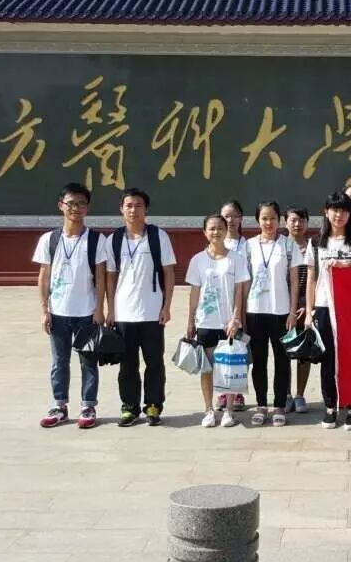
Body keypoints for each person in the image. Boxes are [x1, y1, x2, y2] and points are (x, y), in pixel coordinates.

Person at [34, 183, 108, 429]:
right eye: (71, 203)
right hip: (58, 312)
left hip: (86, 311)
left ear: (88, 208)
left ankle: (88, 405)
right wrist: (44, 310)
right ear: (61, 206)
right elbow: (44, 277)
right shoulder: (49, 239)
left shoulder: (96, 240)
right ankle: (60, 406)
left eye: (81, 203)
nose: (76, 208)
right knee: (59, 362)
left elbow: (101, 277)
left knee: (88, 361)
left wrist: (99, 309)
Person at [298, 192, 351, 430]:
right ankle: (331, 406)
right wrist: (309, 311)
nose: (339, 215)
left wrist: (348, 267)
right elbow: (312, 279)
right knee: (328, 359)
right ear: (326, 212)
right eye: (334, 210)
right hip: (323, 306)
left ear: (350, 214)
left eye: (343, 210)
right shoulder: (316, 243)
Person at [104, 188, 177, 427]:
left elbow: (169, 272)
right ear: (121, 209)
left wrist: (167, 306)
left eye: (138, 205)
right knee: (127, 365)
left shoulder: (158, 236)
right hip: (123, 313)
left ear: (146, 209)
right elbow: (110, 276)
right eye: (129, 205)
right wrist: (110, 309)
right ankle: (129, 408)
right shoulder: (114, 239)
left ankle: (153, 406)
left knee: (154, 362)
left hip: (152, 312)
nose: (133, 210)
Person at [186, 214, 250, 428]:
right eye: (212, 228)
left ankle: (229, 410)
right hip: (205, 322)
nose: (216, 232)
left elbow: (239, 291)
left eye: (220, 228)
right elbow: (194, 292)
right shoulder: (197, 260)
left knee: (229, 366)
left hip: (228, 323)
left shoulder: (237, 259)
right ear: (205, 232)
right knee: (207, 369)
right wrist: (190, 321)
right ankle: (209, 410)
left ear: (226, 230)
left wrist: (236, 318)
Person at [243, 201, 295, 427]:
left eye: (273, 218)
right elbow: (244, 281)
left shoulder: (288, 244)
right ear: (258, 220)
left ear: (279, 220)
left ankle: (280, 405)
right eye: (264, 218)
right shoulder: (249, 246)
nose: (268, 222)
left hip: (281, 311)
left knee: (282, 360)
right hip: (255, 310)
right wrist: (241, 312)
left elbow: (294, 281)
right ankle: (261, 404)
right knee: (259, 360)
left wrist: (292, 311)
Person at [217, 199, 248, 412]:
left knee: (240, 348)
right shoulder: (215, 243)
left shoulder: (248, 245)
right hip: (220, 305)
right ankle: (222, 391)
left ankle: (237, 392)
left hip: (243, 303)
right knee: (221, 349)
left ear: (241, 218)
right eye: (226, 216)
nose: (230, 220)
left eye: (234, 216)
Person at [285, 206, 312, 413]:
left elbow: (316, 280)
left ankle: (300, 394)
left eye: (301, 220)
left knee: (304, 354)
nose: (297, 224)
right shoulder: (280, 246)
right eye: (293, 220)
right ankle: (285, 394)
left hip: (307, 308)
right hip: (284, 308)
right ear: (285, 222)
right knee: (284, 354)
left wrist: (308, 306)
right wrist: (290, 309)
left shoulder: (313, 246)